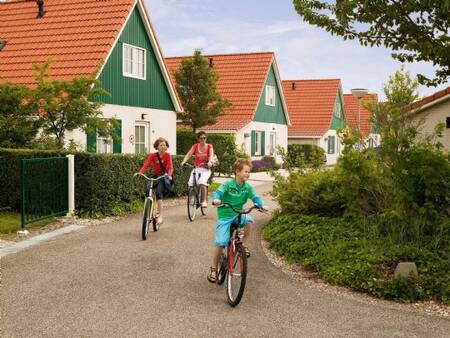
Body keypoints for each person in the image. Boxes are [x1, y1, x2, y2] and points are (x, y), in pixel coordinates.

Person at [207, 158, 267, 283]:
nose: (248, 174)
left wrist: (261, 205)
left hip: (238, 214)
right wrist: (217, 200)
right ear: (237, 172)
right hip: (225, 216)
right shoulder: (228, 185)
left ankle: (242, 244)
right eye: (245, 171)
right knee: (221, 242)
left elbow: (255, 197)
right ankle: (213, 268)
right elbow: (218, 192)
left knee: (249, 221)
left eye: (249, 172)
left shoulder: (247, 187)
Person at [136, 137, 173, 225]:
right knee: (148, 190)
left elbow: (170, 166)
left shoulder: (168, 155)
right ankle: (151, 205)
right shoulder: (153, 155)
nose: (163, 147)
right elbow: (146, 165)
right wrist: (140, 172)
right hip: (154, 175)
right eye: (161, 145)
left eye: (164, 145)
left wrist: (170, 175)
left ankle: (160, 216)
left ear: (166, 147)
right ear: (157, 147)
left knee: (159, 193)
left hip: (163, 176)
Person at [180, 131, 214, 208]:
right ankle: (193, 197)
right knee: (191, 183)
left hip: (206, 169)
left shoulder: (209, 146)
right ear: (198, 139)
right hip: (197, 168)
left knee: (202, 182)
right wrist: (183, 162)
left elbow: (211, 155)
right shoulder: (195, 146)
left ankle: (204, 201)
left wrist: (210, 162)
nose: (203, 139)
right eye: (201, 138)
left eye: (204, 138)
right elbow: (189, 154)